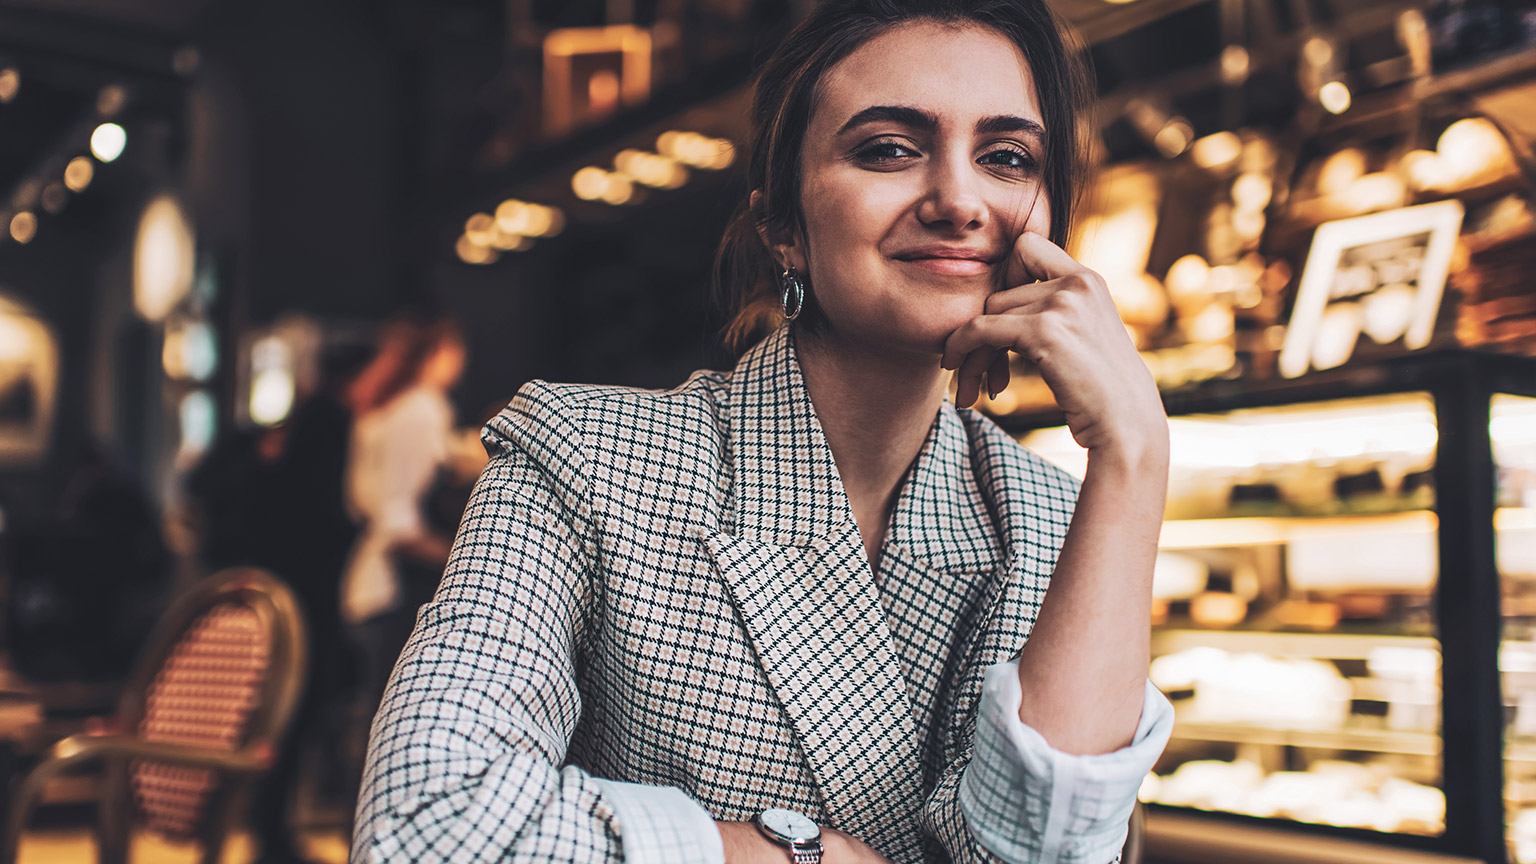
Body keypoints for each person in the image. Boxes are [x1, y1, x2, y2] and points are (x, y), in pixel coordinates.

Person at [354, 2, 1174, 862]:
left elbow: (1042, 855)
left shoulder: (1052, 516)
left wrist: (1135, 455)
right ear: (782, 226)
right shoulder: (581, 457)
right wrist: (789, 855)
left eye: (1006, 158)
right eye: (889, 148)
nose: (960, 200)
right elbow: (424, 825)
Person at [339, 317, 466, 767]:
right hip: (393, 588)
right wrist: (471, 560)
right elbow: (399, 522)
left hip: (367, 582)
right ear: (437, 355)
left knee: (380, 724)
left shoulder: (381, 408)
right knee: (396, 734)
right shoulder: (421, 409)